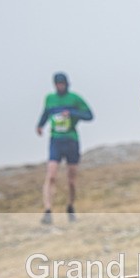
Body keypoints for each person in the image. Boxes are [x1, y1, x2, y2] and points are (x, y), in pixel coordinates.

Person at [36, 72, 93, 224]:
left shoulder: (75, 98)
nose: (60, 86)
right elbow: (45, 113)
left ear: (67, 83)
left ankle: (70, 206)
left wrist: (72, 113)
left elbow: (89, 115)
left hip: (71, 140)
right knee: (51, 175)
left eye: (62, 83)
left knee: (71, 180)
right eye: (57, 84)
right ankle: (48, 210)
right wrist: (40, 125)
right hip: (56, 140)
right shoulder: (50, 99)